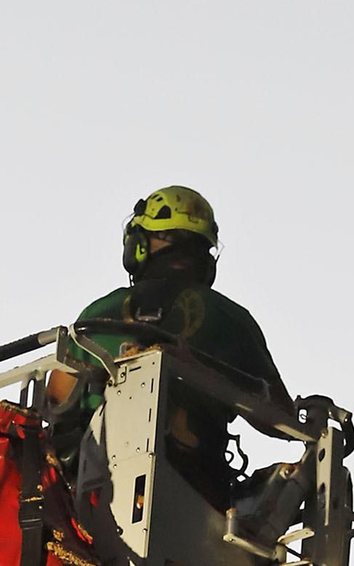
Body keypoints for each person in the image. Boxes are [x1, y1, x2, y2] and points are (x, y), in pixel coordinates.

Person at [60, 187, 294, 508]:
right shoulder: (232, 319)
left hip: (92, 500)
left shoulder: (97, 316)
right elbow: (282, 418)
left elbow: (56, 410)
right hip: (199, 500)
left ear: (138, 247)